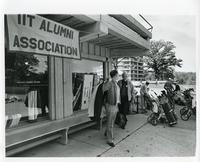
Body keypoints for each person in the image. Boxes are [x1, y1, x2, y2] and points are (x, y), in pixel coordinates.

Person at [103, 70, 120, 147]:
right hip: (110, 105)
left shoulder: (116, 83)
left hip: (115, 105)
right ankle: (110, 140)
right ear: (114, 76)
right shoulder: (109, 83)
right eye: (118, 75)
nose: (118, 76)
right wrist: (106, 81)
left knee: (112, 122)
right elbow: (103, 90)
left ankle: (107, 132)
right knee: (110, 123)